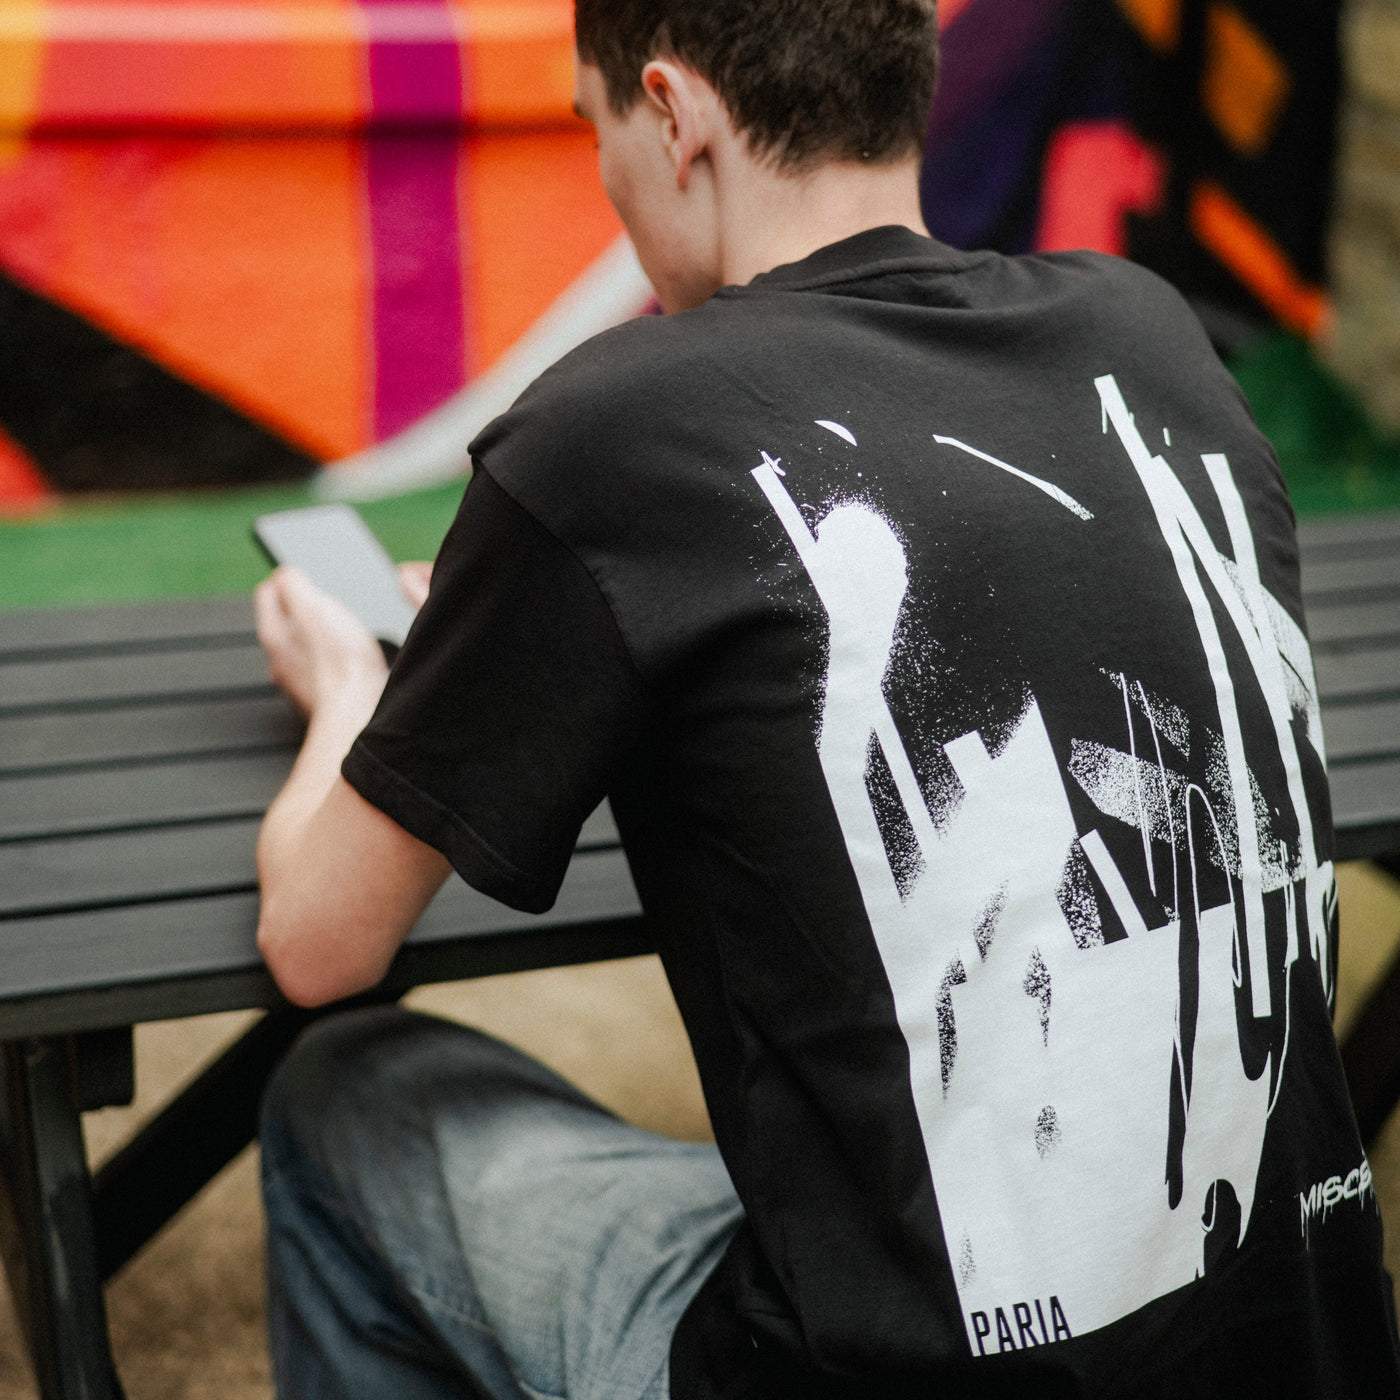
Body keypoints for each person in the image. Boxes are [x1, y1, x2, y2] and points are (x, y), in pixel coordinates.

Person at [251, 1, 1400, 1395]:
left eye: (594, 129)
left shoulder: (610, 431)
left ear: (671, 114)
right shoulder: (1150, 336)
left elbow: (319, 943)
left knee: (338, 1095)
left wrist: (351, 686)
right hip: (1305, 1358)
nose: (607, 180)